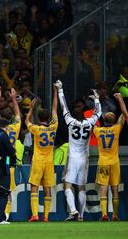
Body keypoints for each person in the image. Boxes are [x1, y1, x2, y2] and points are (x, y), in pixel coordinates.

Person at [56, 80, 102, 221]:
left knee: (67, 184)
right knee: (81, 187)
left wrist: (60, 90)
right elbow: (98, 113)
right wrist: (97, 99)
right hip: (84, 158)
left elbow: (63, 107)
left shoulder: (70, 121)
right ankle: (81, 216)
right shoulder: (89, 122)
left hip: (73, 158)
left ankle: (74, 211)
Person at [25, 84, 58, 222]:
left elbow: (26, 121)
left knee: (34, 187)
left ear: (39, 118)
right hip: (49, 161)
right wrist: (56, 91)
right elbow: (55, 109)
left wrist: (31, 108)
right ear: (49, 118)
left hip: (38, 160)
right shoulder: (53, 127)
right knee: (47, 188)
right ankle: (46, 217)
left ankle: (35, 215)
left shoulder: (37, 129)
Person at [94, 93, 128, 221]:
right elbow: (125, 115)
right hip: (114, 162)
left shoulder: (98, 130)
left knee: (103, 188)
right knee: (114, 189)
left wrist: (97, 104)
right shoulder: (117, 128)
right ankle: (114, 215)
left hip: (103, 161)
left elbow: (94, 120)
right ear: (114, 120)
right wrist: (120, 100)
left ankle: (103, 214)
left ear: (104, 120)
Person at [0, 87, 20, 221]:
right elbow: (19, 115)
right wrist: (13, 99)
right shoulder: (15, 127)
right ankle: (4, 215)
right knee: (7, 191)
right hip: (10, 164)